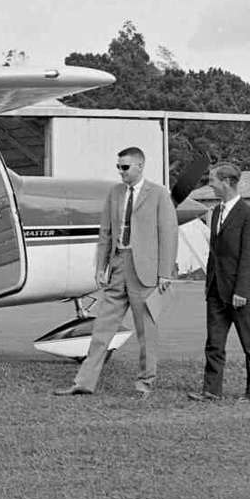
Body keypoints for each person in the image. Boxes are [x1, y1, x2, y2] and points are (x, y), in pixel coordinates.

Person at [54, 146, 177, 397]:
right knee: (101, 328)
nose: (120, 171)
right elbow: (105, 233)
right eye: (118, 167)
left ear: (140, 166)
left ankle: (145, 384)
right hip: (118, 265)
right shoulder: (115, 193)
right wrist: (101, 266)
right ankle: (84, 383)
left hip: (146, 272)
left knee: (146, 332)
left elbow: (169, 234)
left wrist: (164, 272)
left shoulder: (159, 194)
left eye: (125, 167)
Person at [189, 162, 250, 402]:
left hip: (239, 292)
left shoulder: (249, 216)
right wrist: (208, 283)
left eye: (213, 180)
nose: (210, 184)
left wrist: (241, 290)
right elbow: (215, 253)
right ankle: (211, 390)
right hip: (215, 290)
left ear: (227, 182)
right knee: (214, 343)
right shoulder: (215, 213)